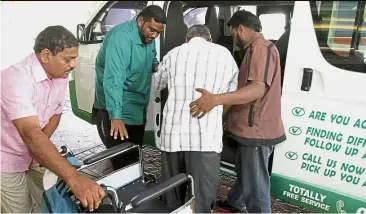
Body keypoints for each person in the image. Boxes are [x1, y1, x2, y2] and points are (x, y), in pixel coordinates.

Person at [189, 11, 286, 213]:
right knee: (245, 172)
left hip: (256, 130)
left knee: (256, 185)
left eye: (233, 33)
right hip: (248, 127)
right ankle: (234, 203)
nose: (233, 38)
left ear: (241, 29)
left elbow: (257, 90)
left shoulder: (261, 48)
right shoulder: (255, 49)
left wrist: (215, 100)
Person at [1, 26, 105, 213]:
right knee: (19, 209)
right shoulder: (16, 78)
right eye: (68, 59)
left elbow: (56, 112)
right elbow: (30, 133)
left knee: (50, 201)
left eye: (75, 58)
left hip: (33, 150)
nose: (73, 65)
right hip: (6, 157)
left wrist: (38, 150)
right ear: (46, 55)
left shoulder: (59, 74)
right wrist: (74, 178)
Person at [153, 25, 239, 213]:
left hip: (172, 138)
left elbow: (157, 83)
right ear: (210, 40)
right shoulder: (224, 54)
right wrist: (218, 114)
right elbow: (233, 93)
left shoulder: (174, 53)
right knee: (202, 198)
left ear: (187, 39)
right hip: (205, 139)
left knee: (171, 195)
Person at [94, 5, 166, 170]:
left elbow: (151, 58)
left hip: (138, 101)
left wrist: (157, 66)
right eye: (151, 29)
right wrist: (116, 116)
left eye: (158, 33)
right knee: (121, 154)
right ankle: (122, 190)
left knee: (135, 148)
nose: (154, 35)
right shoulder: (121, 38)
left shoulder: (149, 39)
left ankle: (134, 183)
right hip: (118, 100)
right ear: (140, 21)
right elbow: (114, 80)